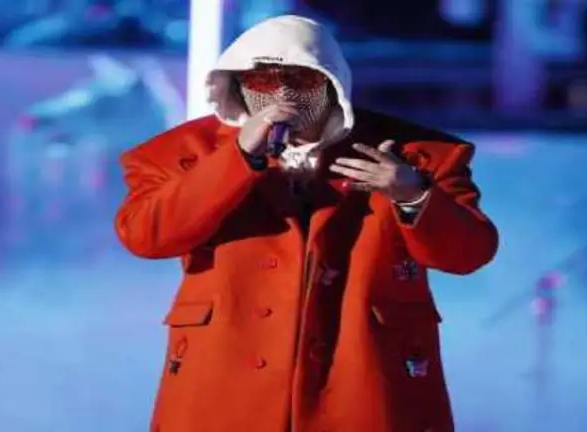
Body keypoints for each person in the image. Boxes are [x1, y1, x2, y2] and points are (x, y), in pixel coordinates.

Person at [115, 14, 498, 432]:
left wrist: (412, 193)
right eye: (262, 80)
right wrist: (236, 160)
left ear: (331, 83)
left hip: (364, 381)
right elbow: (146, 236)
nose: (282, 94)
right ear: (236, 84)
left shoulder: (418, 153)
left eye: (301, 79)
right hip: (224, 385)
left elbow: (469, 253)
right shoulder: (181, 153)